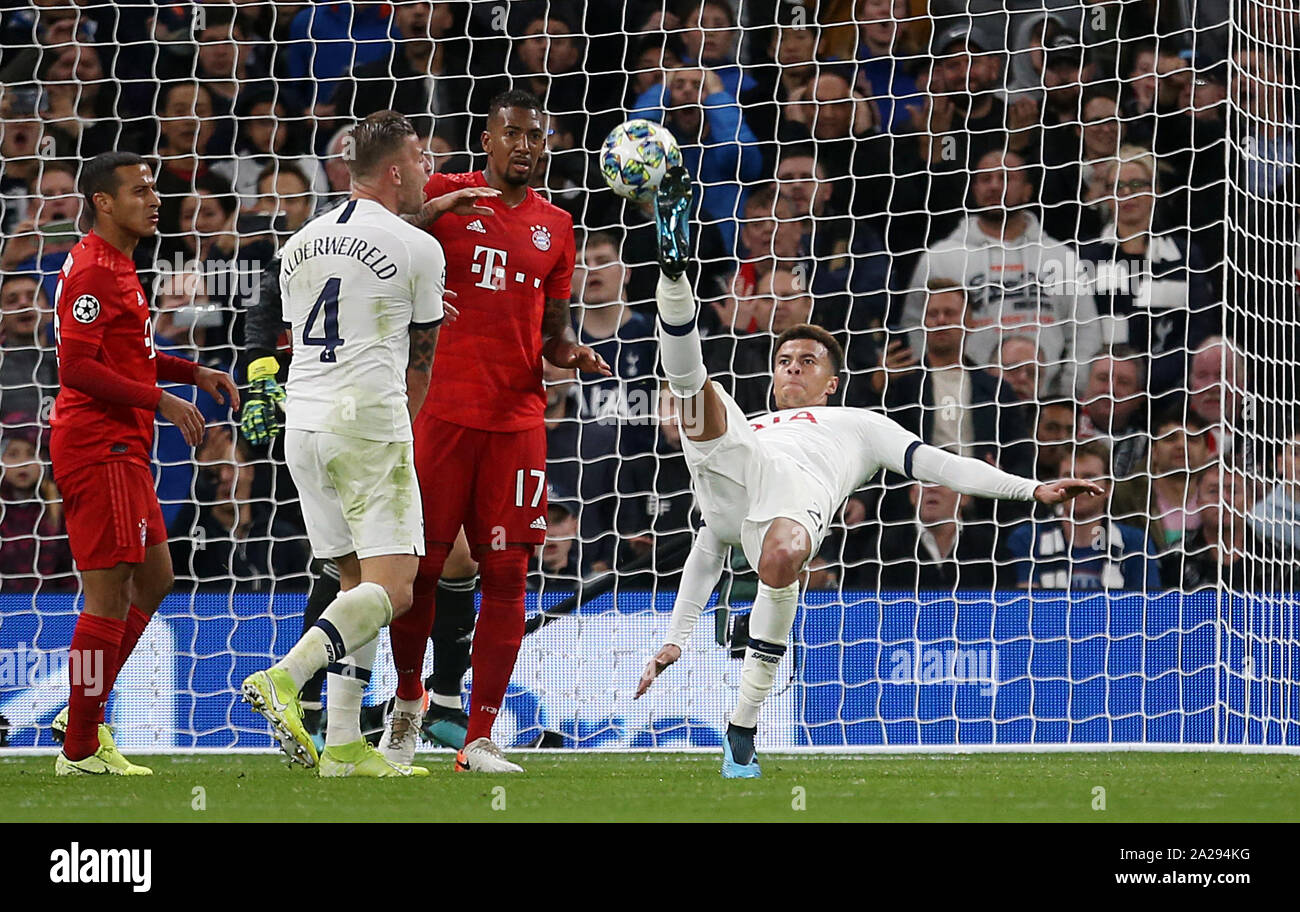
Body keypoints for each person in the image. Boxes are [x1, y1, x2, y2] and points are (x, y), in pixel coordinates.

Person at [634, 166, 1102, 778]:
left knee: (781, 550)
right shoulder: (755, 422)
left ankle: (742, 727)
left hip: (787, 511)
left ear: (832, 383)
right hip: (732, 474)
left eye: (807, 362)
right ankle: (674, 273)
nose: (792, 368)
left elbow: (941, 463)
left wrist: (1032, 488)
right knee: (700, 394)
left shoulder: (857, 423)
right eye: (783, 360)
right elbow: (708, 541)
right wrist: (677, 633)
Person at [386, 89, 610, 774]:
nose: (525, 146)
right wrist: (430, 211)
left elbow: (554, 338)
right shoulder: (449, 194)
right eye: (512, 133)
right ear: (486, 140)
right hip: (441, 413)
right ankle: (406, 706)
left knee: (508, 568)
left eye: (536, 136)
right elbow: (377, 233)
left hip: (517, 420)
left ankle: (479, 736)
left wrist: (573, 355)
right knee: (420, 569)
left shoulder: (557, 226)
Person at [240, 111, 447, 778]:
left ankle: (343, 747)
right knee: (397, 587)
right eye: (420, 159)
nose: (427, 170)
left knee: (352, 581)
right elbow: (422, 359)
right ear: (394, 171)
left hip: (303, 424)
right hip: (368, 425)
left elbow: (279, 321)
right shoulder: (419, 248)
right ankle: (283, 677)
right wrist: (403, 430)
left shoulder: (301, 240)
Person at [50, 151, 239, 775]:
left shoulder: (121, 266)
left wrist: (193, 372)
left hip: (123, 446)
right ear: (104, 201)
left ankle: (85, 704)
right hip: (98, 446)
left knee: (155, 578)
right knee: (106, 596)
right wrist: (161, 399)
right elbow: (75, 369)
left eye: (154, 189)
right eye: (140, 190)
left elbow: (131, 355)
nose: (154, 199)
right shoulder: (95, 272)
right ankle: (79, 746)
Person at [1005, 440, 1161, 591]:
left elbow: (1146, 610)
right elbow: (1026, 609)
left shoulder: (1135, 543)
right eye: (1069, 476)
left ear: (1108, 487)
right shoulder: (1027, 539)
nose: (1078, 487)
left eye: (1089, 478)